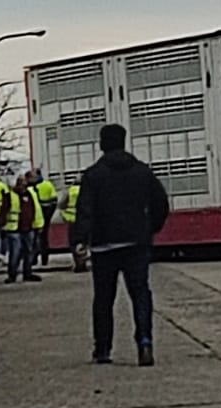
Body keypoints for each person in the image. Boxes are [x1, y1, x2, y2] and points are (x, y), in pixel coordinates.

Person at [73, 123, 169, 366]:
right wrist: (150, 229)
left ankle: (103, 349)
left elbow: (84, 211)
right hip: (136, 243)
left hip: (104, 246)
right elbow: (161, 203)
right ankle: (145, 341)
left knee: (104, 299)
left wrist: (80, 240)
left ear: (102, 144)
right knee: (140, 294)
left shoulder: (93, 175)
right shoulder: (142, 172)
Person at [1, 173, 46, 284]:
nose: (22, 186)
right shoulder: (10, 195)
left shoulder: (31, 194)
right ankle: (12, 275)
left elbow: (36, 210)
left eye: (24, 184)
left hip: (28, 227)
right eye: (20, 183)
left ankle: (28, 273)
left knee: (29, 251)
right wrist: (2, 226)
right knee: (15, 252)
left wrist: (39, 225)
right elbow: (3, 211)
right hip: (14, 229)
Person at [55, 181, 88, 272]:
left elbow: (61, 205)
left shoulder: (69, 191)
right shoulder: (86, 191)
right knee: (84, 243)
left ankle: (78, 264)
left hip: (72, 220)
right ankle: (83, 263)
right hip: (84, 220)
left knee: (74, 243)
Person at [32, 168, 59, 267]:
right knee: (42, 238)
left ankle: (37, 259)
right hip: (43, 214)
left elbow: (54, 200)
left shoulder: (34, 187)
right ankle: (42, 259)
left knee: (38, 238)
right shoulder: (48, 185)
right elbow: (54, 200)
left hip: (40, 214)